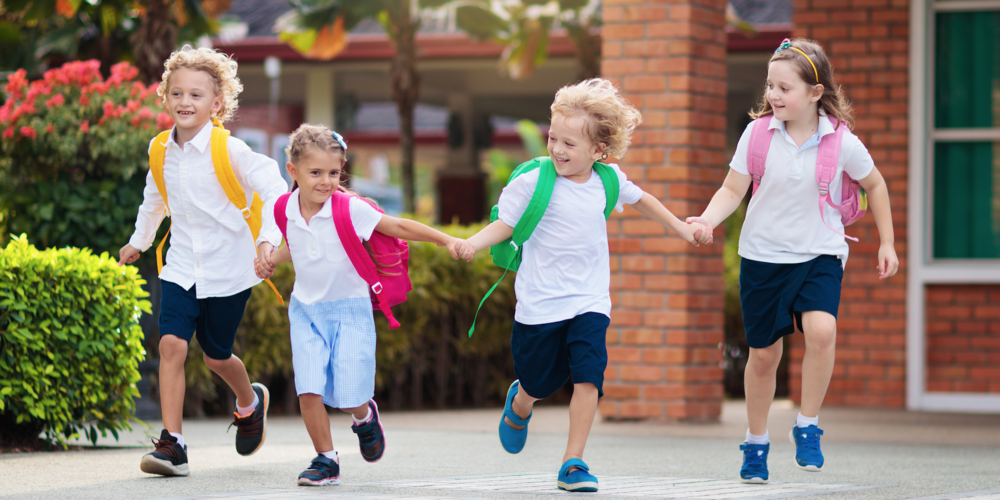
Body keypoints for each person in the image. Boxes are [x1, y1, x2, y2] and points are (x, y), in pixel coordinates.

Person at [461, 78, 707, 493]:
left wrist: (682, 228)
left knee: (589, 377)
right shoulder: (533, 182)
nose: (557, 148)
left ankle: (573, 462)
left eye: (569, 144)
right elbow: (504, 225)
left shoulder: (606, 180)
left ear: (598, 151)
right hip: (539, 305)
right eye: (553, 137)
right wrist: (470, 243)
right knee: (540, 382)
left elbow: (643, 199)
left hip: (590, 301)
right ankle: (521, 402)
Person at [685, 38, 899, 484]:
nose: (774, 96)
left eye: (785, 88)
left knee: (823, 330)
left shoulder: (841, 142)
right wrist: (705, 220)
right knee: (764, 356)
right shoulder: (757, 135)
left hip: (820, 251)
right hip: (762, 256)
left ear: (816, 93)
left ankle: (807, 425)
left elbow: (875, 185)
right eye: (771, 86)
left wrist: (887, 243)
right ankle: (757, 441)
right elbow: (732, 190)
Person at [254, 124, 471, 486]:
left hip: (350, 310)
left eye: (334, 172)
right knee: (309, 389)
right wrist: (271, 258)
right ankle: (326, 459)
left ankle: (364, 416)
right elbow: (299, 245)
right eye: (316, 173)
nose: (326, 181)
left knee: (350, 394)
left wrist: (446, 239)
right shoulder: (284, 208)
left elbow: (398, 226)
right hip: (305, 311)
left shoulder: (349, 208)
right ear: (292, 171)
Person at [118, 45, 287, 476]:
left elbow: (274, 190)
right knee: (170, 344)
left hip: (229, 270)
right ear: (166, 98)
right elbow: (154, 200)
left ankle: (250, 402)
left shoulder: (230, 150)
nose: (185, 102)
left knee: (216, 356)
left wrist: (268, 240)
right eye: (177, 93)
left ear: (217, 103)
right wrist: (139, 240)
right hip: (179, 267)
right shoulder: (161, 151)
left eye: (196, 95)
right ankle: (172, 445)